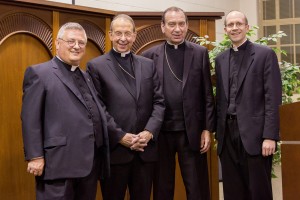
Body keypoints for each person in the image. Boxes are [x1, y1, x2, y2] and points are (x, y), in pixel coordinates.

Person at [21, 22, 111, 200]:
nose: (76, 46)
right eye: (71, 41)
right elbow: (30, 118)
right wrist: (35, 156)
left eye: (81, 43)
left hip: (89, 165)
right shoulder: (39, 73)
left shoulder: (85, 75)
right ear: (57, 43)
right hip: (58, 164)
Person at [86, 14, 165, 200]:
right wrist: (121, 137)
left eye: (128, 33)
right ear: (111, 34)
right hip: (115, 152)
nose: (123, 38)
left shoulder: (148, 65)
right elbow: (98, 108)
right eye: (118, 33)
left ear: (134, 35)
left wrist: (148, 132)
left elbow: (159, 102)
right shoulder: (96, 66)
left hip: (145, 150)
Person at [142, 7, 215, 200]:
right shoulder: (149, 56)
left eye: (181, 24)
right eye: (172, 24)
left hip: (191, 132)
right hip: (161, 133)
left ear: (187, 26)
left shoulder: (199, 53)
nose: (177, 28)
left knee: (196, 186)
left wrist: (207, 129)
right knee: (162, 187)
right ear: (163, 27)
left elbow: (207, 94)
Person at [215, 10, 282, 200]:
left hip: (256, 135)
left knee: (258, 191)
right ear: (226, 29)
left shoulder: (265, 55)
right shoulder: (220, 60)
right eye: (230, 25)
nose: (234, 28)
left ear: (247, 27)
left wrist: (270, 136)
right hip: (227, 135)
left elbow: (273, 98)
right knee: (232, 191)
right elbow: (220, 98)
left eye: (238, 24)